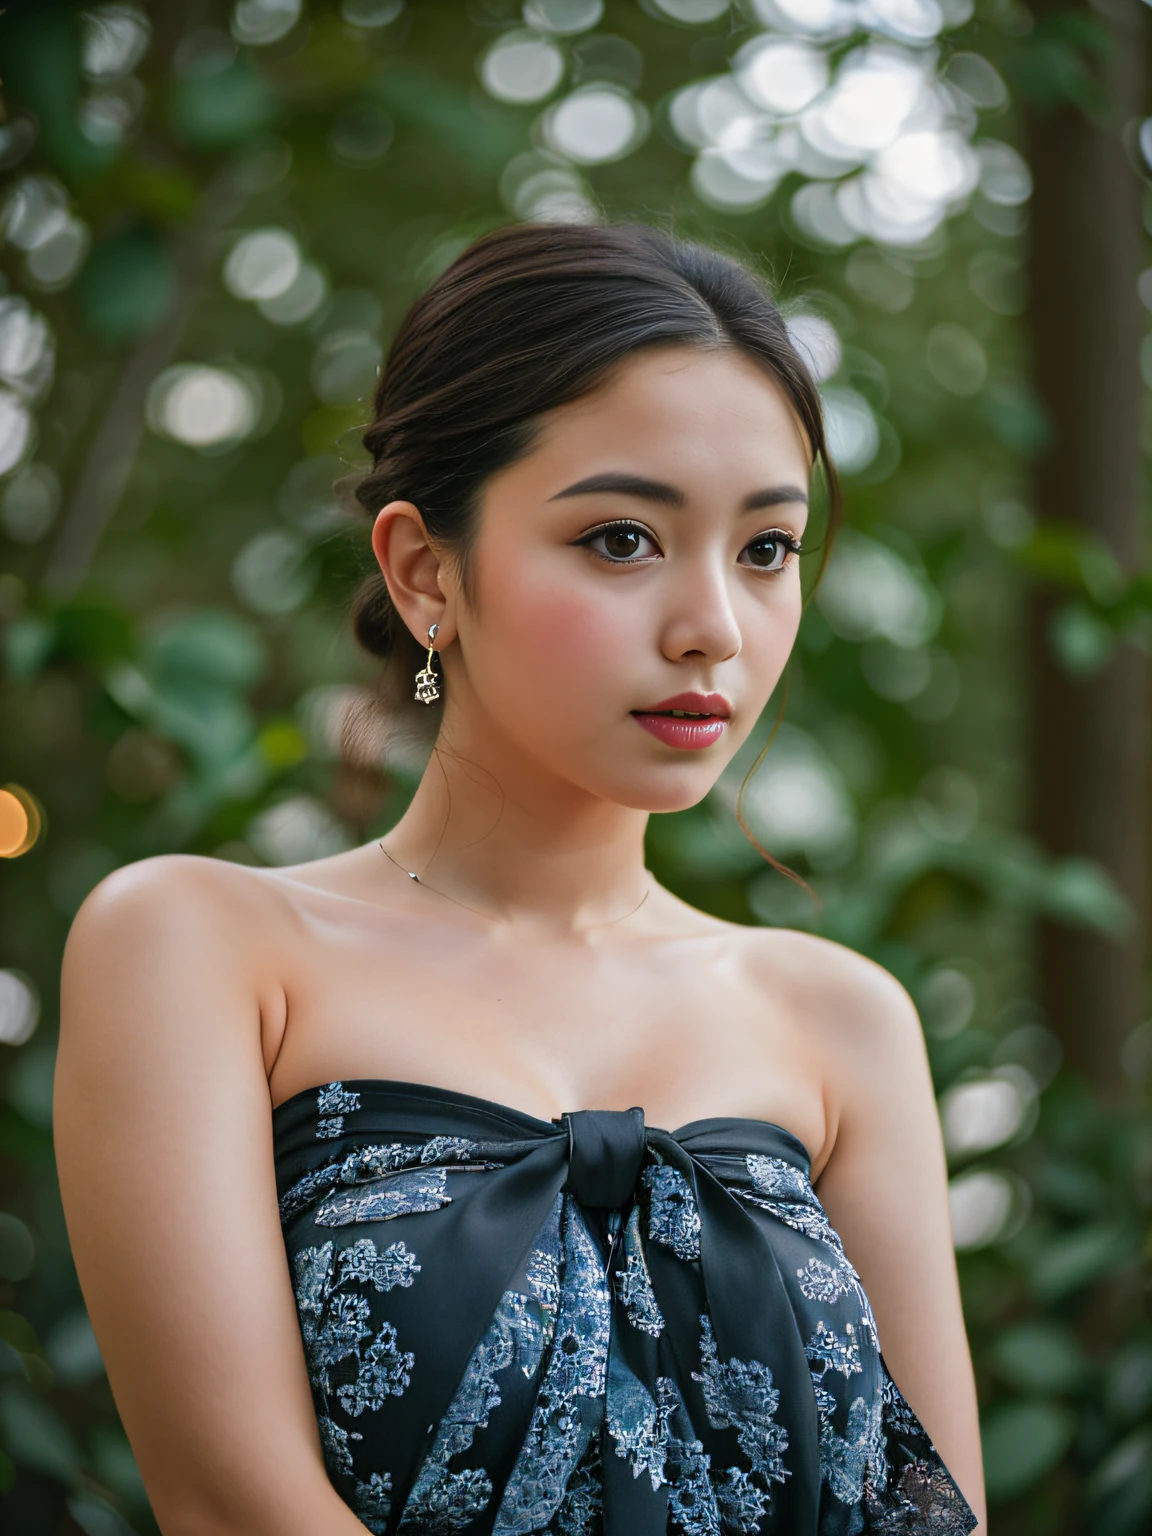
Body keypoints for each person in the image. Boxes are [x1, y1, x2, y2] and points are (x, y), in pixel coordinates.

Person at [54, 221, 986, 1536]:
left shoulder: (840, 1017)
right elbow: (229, 1505)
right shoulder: (202, 946)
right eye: (620, 539)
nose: (713, 626)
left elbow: (930, 1512)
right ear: (427, 573)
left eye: (766, 549)